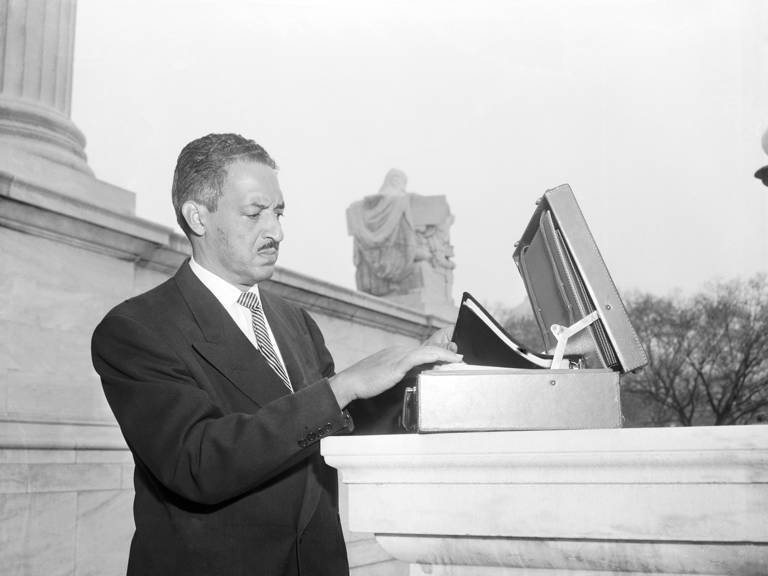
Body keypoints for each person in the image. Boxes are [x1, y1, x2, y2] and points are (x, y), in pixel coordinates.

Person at [91, 133, 461, 576]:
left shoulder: (294, 320)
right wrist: (341, 386)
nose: (277, 231)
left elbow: (336, 428)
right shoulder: (136, 330)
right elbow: (198, 463)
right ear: (198, 217)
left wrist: (423, 379)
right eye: (255, 213)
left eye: (279, 212)